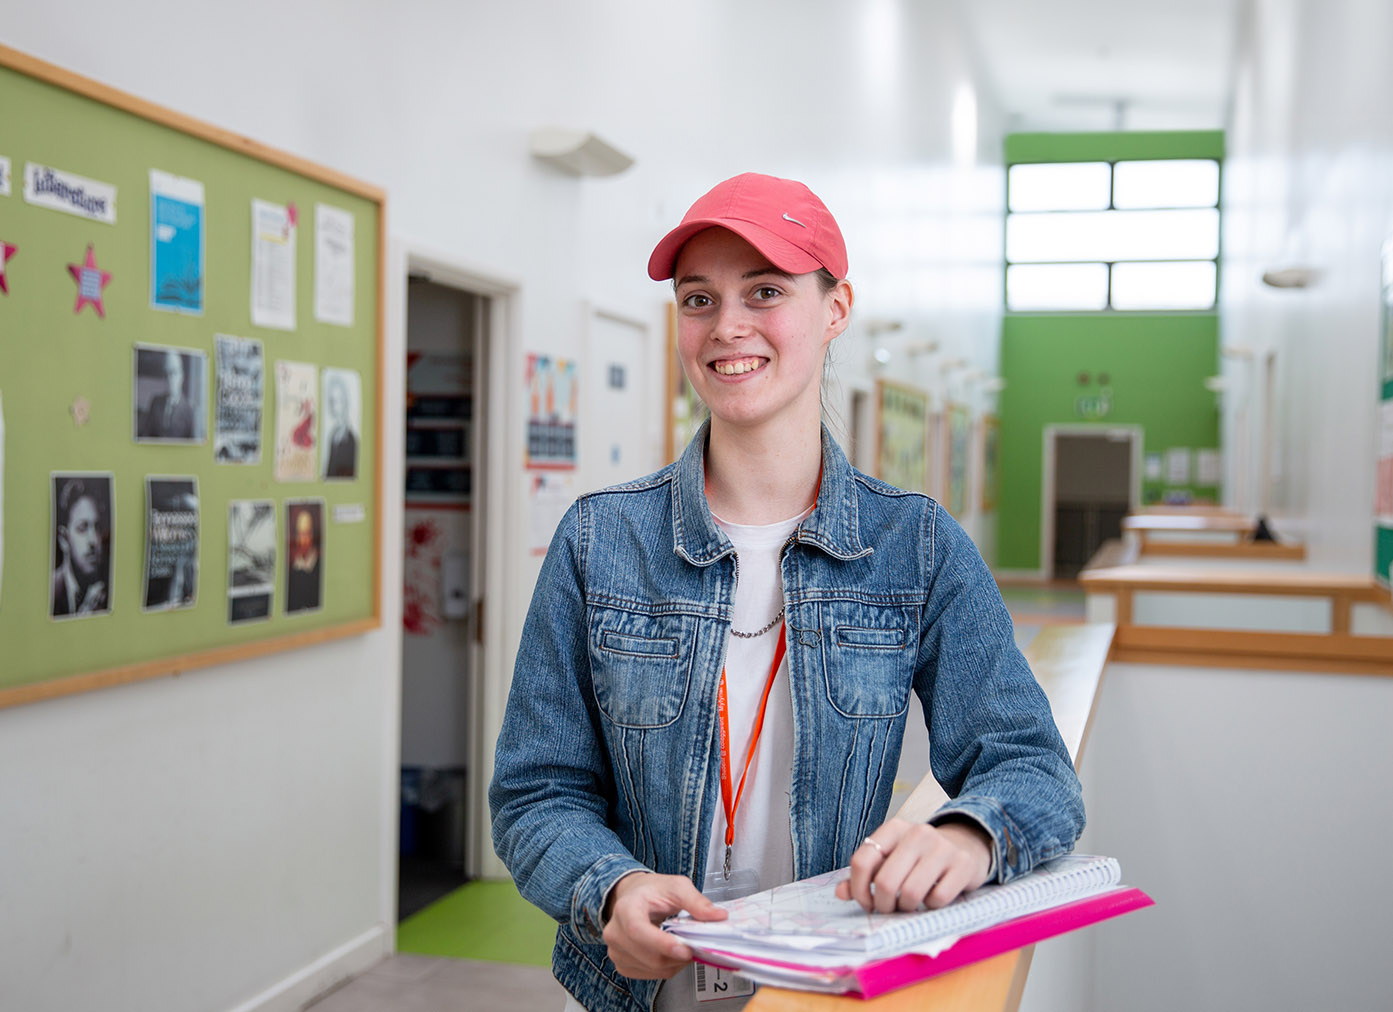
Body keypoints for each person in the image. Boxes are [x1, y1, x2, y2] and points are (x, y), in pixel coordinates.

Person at [489, 173, 1084, 1012]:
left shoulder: (912, 547)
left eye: (764, 292)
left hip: (822, 990)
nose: (726, 326)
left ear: (835, 309)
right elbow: (533, 790)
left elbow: (1033, 770)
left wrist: (967, 836)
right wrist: (611, 886)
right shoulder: (599, 542)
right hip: (630, 996)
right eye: (698, 300)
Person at [51, 477, 110, 617]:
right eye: (82, 528)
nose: (94, 540)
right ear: (64, 539)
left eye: (97, 528)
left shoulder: (108, 587)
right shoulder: (51, 590)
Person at [144, 349, 195, 439]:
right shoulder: (155, 402)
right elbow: (146, 435)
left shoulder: (189, 410)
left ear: (181, 376)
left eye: (174, 372)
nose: (170, 379)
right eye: (166, 373)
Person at [286, 504, 322, 612]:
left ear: (313, 534)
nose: (303, 540)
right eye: (300, 534)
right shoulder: (291, 568)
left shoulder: (320, 564)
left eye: (307, 533)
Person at [323, 373, 358, 478]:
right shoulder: (333, 435)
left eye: (337, 401)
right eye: (332, 401)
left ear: (345, 402)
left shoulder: (351, 439)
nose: (334, 406)